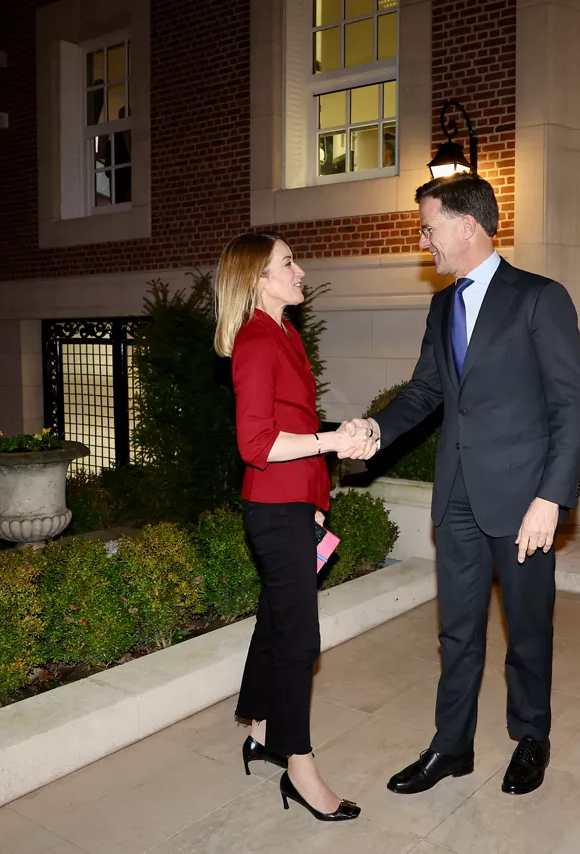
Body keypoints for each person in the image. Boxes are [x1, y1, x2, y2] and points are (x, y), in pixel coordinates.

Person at [347, 174, 580, 796]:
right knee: (456, 631)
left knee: (527, 629)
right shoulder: (440, 306)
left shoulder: (540, 298)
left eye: (428, 228)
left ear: (466, 226)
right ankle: (451, 746)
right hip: (456, 496)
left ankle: (530, 737)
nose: (423, 242)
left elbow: (573, 405)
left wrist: (551, 498)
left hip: (523, 501)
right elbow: (429, 392)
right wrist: (375, 430)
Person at [213, 232, 368, 822]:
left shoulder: (285, 334)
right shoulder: (256, 340)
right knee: (301, 639)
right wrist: (331, 441)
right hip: (274, 512)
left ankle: (259, 725)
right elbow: (255, 443)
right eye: (288, 263)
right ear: (258, 277)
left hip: (293, 505)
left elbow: (294, 423)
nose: (301, 271)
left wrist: (327, 464)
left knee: (277, 620)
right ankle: (298, 766)